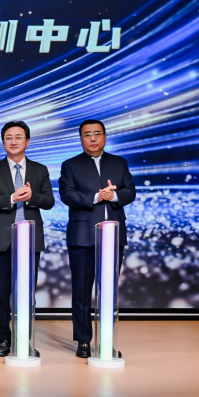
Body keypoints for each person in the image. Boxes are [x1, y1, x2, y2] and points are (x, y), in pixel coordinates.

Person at [59, 119, 136, 359]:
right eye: (87, 134)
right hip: (82, 236)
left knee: (108, 292)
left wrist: (113, 196)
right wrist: (95, 197)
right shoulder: (70, 165)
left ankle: (106, 341)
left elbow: (130, 191)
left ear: (104, 136)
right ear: (81, 138)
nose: (92, 138)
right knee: (81, 291)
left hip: (113, 236)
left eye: (97, 133)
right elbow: (66, 195)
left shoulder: (119, 163)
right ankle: (83, 341)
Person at [0, 120, 54, 357]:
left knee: (26, 293)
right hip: (1, 237)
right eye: (9, 137)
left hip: (30, 239)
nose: (13, 141)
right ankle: (3, 339)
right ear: (3, 142)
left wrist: (32, 197)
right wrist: (12, 198)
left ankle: (24, 340)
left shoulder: (40, 169)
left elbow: (49, 201)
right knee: (0, 293)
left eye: (18, 137)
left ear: (27, 141)